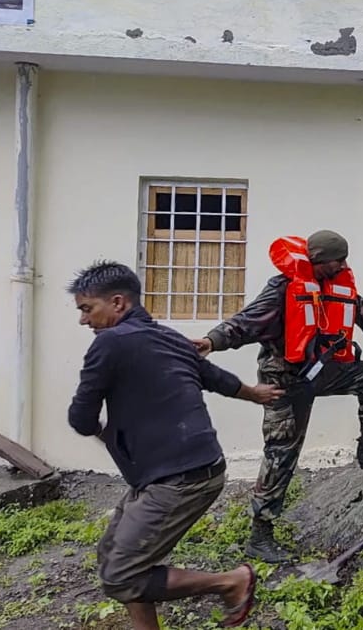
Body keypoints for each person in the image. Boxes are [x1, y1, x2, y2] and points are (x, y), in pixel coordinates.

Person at [66, 261, 284, 630]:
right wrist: (253, 393)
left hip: (180, 478)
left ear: (118, 303)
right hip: (184, 469)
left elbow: (81, 418)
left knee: (121, 576)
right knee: (113, 556)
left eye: (87, 309)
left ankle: (232, 582)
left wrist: (109, 435)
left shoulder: (109, 343)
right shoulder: (169, 338)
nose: (84, 321)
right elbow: (213, 376)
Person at [192, 230, 363, 563]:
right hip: (282, 381)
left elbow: (361, 311)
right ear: (318, 260)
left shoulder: (335, 282)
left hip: (319, 371)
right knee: (282, 453)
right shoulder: (283, 288)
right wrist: (211, 341)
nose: (344, 264)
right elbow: (245, 323)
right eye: (338, 259)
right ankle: (260, 535)